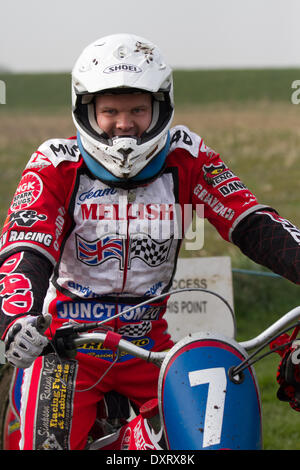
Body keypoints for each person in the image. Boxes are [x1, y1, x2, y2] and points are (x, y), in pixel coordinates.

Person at [1, 33, 300, 450]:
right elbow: (25, 249)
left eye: (138, 109)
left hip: (150, 349)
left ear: (161, 107)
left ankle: (132, 441)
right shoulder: (55, 164)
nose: (125, 123)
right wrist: (16, 318)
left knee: (213, 438)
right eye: (110, 111)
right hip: (66, 348)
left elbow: (251, 222)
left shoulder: (189, 157)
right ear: (86, 110)